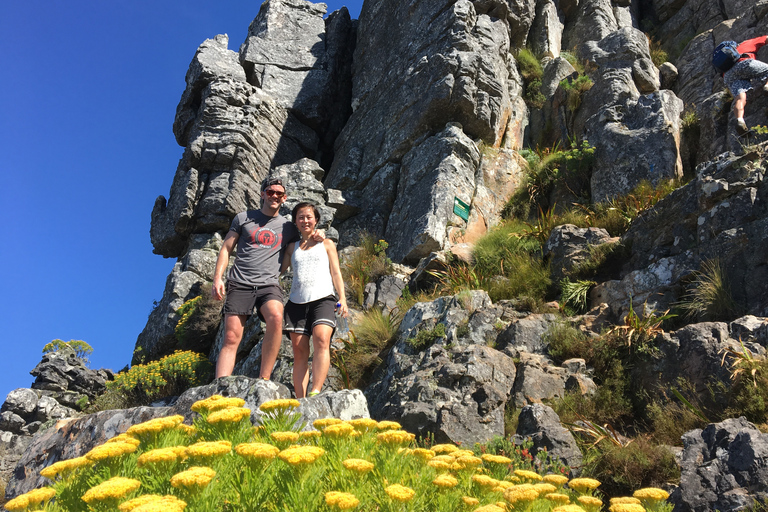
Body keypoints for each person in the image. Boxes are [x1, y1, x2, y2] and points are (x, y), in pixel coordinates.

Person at [211, 178, 323, 379]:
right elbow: (227, 248)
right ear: (262, 194)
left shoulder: (288, 227)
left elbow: (300, 245)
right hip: (240, 283)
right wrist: (218, 278)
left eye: (279, 194)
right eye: (270, 192)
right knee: (231, 336)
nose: (274, 196)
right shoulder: (243, 218)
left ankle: (263, 379)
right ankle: (220, 387)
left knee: (276, 317)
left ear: (284, 198)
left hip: (269, 285)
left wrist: (318, 234)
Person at [282, 202, 348, 398]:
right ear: (295, 221)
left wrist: (342, 298)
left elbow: (335, 272)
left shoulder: (326, 243)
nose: (305, 221)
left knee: (321, 339)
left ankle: (316, 391)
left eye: (309, 217)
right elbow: (279, 270)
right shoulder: (291, 247)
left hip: (323, 299)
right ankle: (300, 399)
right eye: (301, 217)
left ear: (316, 220)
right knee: (299, 351)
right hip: (296, 303)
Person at [722, 35, 768, 134]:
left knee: (740, 98)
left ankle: (740, 120)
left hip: (728, 75)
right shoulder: (750, 42)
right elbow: (766, 38)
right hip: (743, 63)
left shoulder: (730, 53)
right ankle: (767, 86)